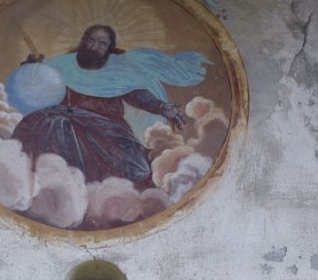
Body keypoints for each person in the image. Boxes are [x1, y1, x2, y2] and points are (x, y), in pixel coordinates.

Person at [11, 23, 208, 186]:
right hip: (66, 122)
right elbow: (40, 87)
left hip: (107, 128)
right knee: (49, 124)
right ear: (82, 42)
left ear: (109, 49)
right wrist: (33, 70)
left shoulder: (118, 71)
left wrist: (162, 107)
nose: (94, 46)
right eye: (90, 40)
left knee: (136, 168)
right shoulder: (63, 66)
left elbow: (138, 94)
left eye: (102, 43)